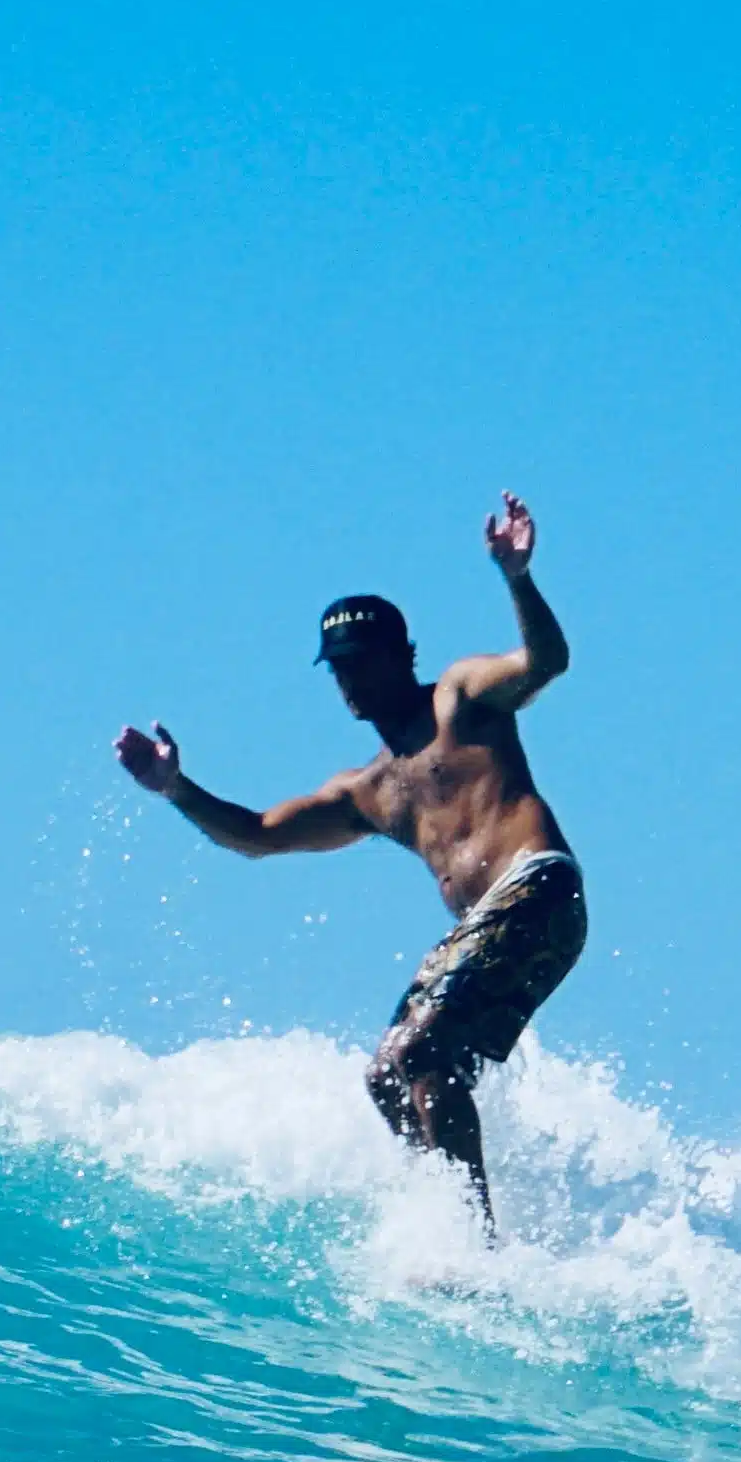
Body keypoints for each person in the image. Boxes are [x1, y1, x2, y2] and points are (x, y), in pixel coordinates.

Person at [112, 491, 583, 1210]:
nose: (351, 680)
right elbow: (256, 836)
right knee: (389, 1079)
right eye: (338, 668)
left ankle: (475, 1241)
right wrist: (177, 787)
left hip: (537, 888)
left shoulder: (459, 699)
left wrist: (517, 578)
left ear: (404, 656)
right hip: (486, 926)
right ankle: (448, 1226)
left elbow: (546, 661)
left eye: (364, 662)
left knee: (417, 1055)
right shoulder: (368, 791)